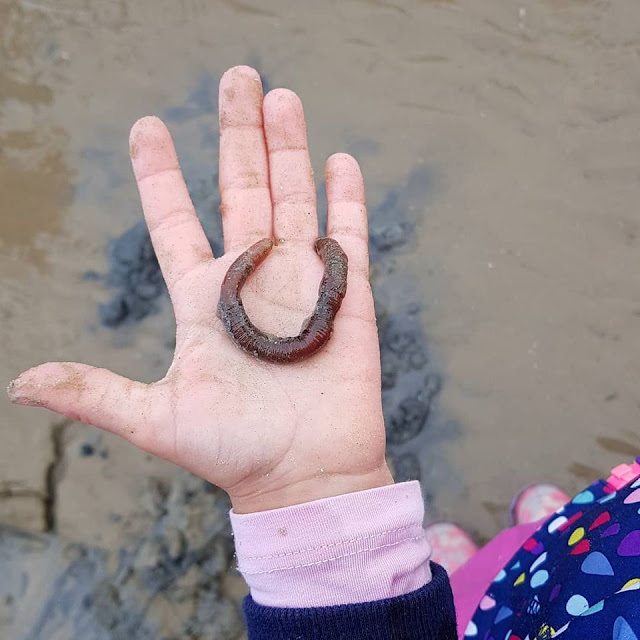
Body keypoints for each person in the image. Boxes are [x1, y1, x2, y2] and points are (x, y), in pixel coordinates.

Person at [8, 65, 640, 640]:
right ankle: (541, 540)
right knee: (552, 551)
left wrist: (315, 516)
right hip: (607, 544)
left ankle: (485, 562)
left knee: (511, 575)